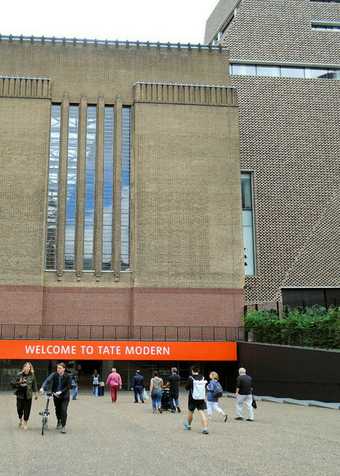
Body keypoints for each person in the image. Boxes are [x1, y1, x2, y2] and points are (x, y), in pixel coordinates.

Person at [40, 362, 72, 434]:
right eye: (57, 368)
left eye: (60, 368)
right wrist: (42, 387)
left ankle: (63, 426)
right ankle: (59, 421)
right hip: (56, 395)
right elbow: (47, 381)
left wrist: (61, 391)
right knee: (57, 410)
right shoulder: (54, 374)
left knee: (63, 410)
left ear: (64, 369)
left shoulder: (68, 376)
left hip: (64, 396)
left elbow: (69, 386)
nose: (58, 369)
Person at [183, 366, 209, 435]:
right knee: (202, 412)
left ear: (192, 371)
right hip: (201, 398)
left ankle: (188, 425)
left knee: (190, 412)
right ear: (198, 370)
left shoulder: (190, 378)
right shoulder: (203, 377)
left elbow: (186, 388)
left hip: (192, 398)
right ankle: (205, 428)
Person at [13, 362, 38, 430]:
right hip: (20, 395)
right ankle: (20, 419)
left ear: (30, 368)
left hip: (28, 395)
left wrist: (36, 394)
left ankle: (25, 423)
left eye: (29, 367)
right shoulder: (19, 374)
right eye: (26, 366)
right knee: (19, 409)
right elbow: (14, 384)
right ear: (24, 367)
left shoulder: (32, 375)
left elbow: (34, 385)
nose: (27, 368)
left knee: (27, 410)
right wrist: (20, 383)